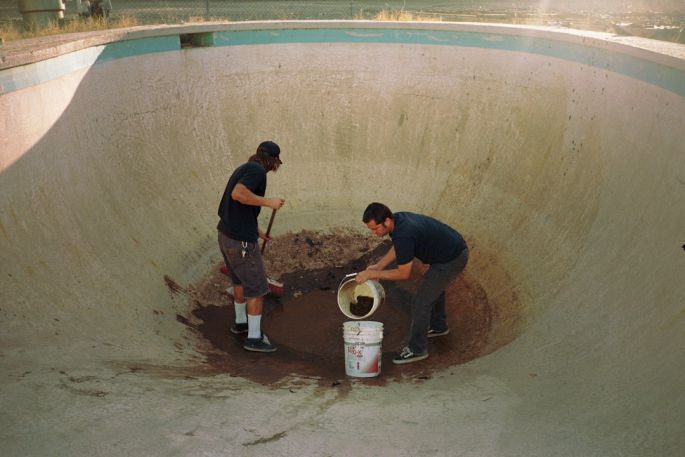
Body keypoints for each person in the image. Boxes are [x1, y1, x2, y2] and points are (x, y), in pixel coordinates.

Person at [356, 203, 469, 364]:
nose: (374, 233)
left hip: (452, 259)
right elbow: (399, 247)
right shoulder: (398, 220)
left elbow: (404, 273)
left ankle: (417, 349)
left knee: (421, 302)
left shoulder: (405, 233)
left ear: (387, 222)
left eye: (375, 229)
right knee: (434, 287)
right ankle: (439, 326)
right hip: (449, 252)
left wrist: (372, 273)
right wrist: (379, 266)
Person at [217, 141, 285, 352]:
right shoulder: (257, 171)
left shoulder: (245, 167)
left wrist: (256, 230)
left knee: (239, 280)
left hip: (226, 235)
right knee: (256, 288)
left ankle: (240, 323)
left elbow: (239, 206)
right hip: (241, 242)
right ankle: (254, 338)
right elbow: (238, 195)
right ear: (274, 161)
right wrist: (268, 202)